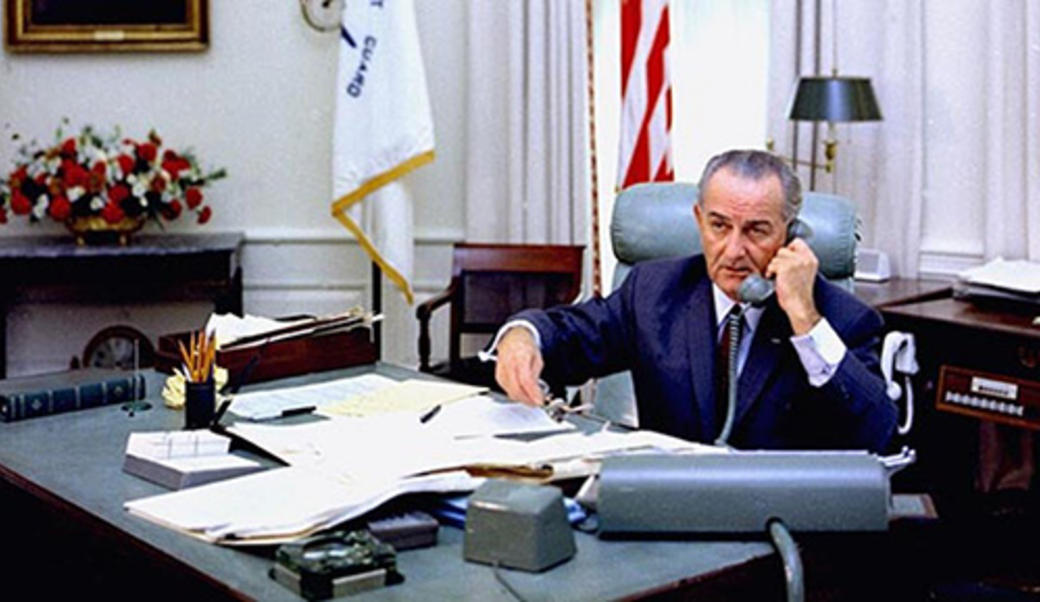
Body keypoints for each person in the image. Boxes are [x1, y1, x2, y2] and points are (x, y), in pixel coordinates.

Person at [491, 149, 897, 452]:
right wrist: (523, 337)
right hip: (669, 512)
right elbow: (570, 335)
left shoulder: (839, 316)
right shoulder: (654, 290)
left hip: (780, 520)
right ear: (699, 221)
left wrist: (805, 319)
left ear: (790, 234)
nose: (733, 250)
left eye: (756, 231)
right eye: (719, 226)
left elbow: (878, 435)